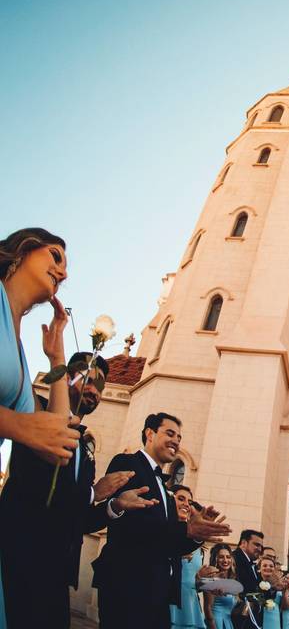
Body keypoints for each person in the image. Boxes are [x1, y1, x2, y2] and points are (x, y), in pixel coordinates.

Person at [0, 345, 149, 628]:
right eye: (88, 380)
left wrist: (114, 506)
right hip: (19, 559)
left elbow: (76, 517)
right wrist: (94, 492)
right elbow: (38, 488)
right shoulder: (38, 416)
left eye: (100, 387)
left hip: (57, 573)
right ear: (65, 378)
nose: (94, 391)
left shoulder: (84, 448)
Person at [0, 228, 82, 624]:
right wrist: (15, 424)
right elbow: (23, 427)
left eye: (66, 266)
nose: (62, 271)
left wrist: (57, 357)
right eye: (55, 256)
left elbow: (53, 433)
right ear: (22, 250)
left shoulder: (16, 351)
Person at [92, 412, 232, 628]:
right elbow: (131, 526)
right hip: (127, 584)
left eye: (179, 437)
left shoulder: (166, 491)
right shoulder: (127, 463)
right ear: (150, 433)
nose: (176, 440)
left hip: (158, 592)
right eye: (170, 433)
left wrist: (195, 535)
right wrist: (185, 530)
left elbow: (170, 543)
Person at [171, 485, 216, 628]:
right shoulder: (166, 532)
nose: (186, 506)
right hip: (168, 602)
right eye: (181, 499)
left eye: (189, 503)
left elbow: (193, 582)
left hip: (190, 604)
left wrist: (203, 583)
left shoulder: (198, 547)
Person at [204, 543, 238, 629]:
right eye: (221, 557)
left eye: (228, 557)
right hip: (216, 623)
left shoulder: (231, 580)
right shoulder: (211, 579)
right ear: (215, 559)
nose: (225, 560)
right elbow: (208, 608)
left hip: (228, 622)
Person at [259, 556, 284, 629]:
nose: (268, 567)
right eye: (264, 565)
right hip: (261, 616)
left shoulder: (278, 584)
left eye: (271, 566)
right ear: (259, 568)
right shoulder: (256, 582)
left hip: (274, 615)